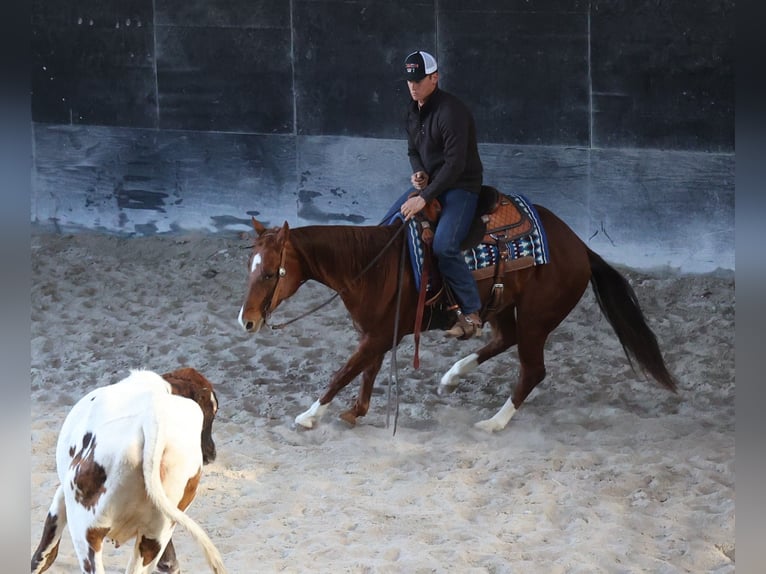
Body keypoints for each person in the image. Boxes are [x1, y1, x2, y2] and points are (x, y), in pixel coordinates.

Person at [381, 50, 484, 339]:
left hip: (461, 187)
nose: (413, 86)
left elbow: (456, 165)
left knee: (444, 246)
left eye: (419, 79)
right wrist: (418, 172)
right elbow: (413, 150)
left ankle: (471, 310)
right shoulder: (412, 112)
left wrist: (423, 197)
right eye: (409, 80)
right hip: (431, 184)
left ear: (434, 78)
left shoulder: (452, 112)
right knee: (386, 226)